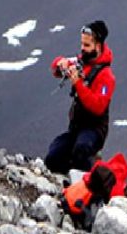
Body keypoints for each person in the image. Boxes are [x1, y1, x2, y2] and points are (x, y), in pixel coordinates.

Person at [45, 20, 116, 174]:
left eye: (87, 45)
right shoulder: (82, 61)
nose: (82, 49)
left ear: (98, 46)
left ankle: (91, 182)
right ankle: (70, 179)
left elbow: (98, 107)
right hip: (76, 128)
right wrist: (61, 64)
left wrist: (78, 84)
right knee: (53, 157)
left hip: (94, 129)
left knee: (81, 149)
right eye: (82, 45)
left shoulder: (106, 76)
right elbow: (55, 67)